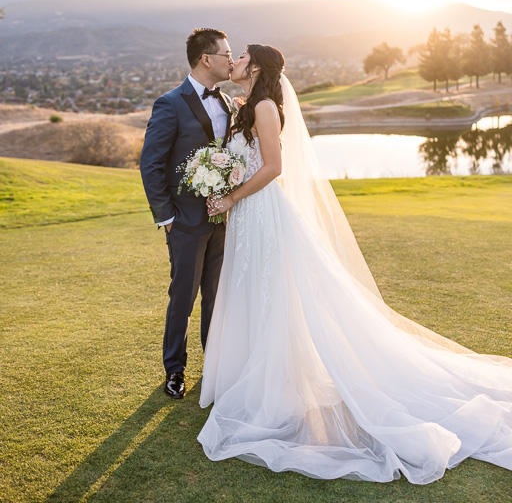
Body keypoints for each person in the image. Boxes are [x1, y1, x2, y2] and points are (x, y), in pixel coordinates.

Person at [197, 43, 512, 484]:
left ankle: (278, 386)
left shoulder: (266, 106)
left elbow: (273, 167)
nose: (233, 62)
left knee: (275, 292)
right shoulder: (247, 105)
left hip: (264, 211)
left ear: (257, 67)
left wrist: (231, 194)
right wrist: (224, 178)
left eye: (241, 56)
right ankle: (248, 376)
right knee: (252, 289)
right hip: (249, 215)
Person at [140, 28, 234, 399]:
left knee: (216, 295)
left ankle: (214, 364)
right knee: (183, 295)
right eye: (226, 54)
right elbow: (151, 164)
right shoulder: (170, 103)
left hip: (222, 220)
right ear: (206, 59)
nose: (232, 59)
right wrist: (166, 217)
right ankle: (174, 371)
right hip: (184, 221)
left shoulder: (227, 101)